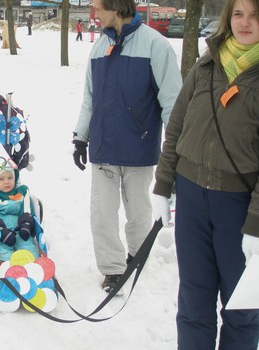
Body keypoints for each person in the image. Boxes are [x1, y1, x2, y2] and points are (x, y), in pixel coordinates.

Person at [152, 0, 259, 348]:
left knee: (242, 310)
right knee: (194, 303)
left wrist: (256, 226)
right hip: (192, 199)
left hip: (239, 207)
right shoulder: (207, 64)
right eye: (239, 13)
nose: (245, 23)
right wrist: (162, 185)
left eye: (256, 14)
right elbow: (178, 126)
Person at [72, 0, 182, 293]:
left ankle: (137, 253)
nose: (94, 13)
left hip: (139, 146)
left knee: (138, 210)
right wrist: (80, 136)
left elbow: (172, 101)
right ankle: (112, 269)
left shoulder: (156, 46)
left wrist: (177, 147)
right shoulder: (98, 49)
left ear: (116, 6)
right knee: (102, 213)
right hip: (104, 147)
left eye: (98, 7)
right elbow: (89, 98)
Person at [0, 158, 39, 262]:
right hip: (1, 231)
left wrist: (26, 225)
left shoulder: (21, 191)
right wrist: (1, 231)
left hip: (19, 227)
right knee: (4, 252)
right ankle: (8, 271)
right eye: (1, 179)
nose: (6, 182)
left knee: (29, 248)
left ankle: (32, 269)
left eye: (10, 177)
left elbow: (26, 210)